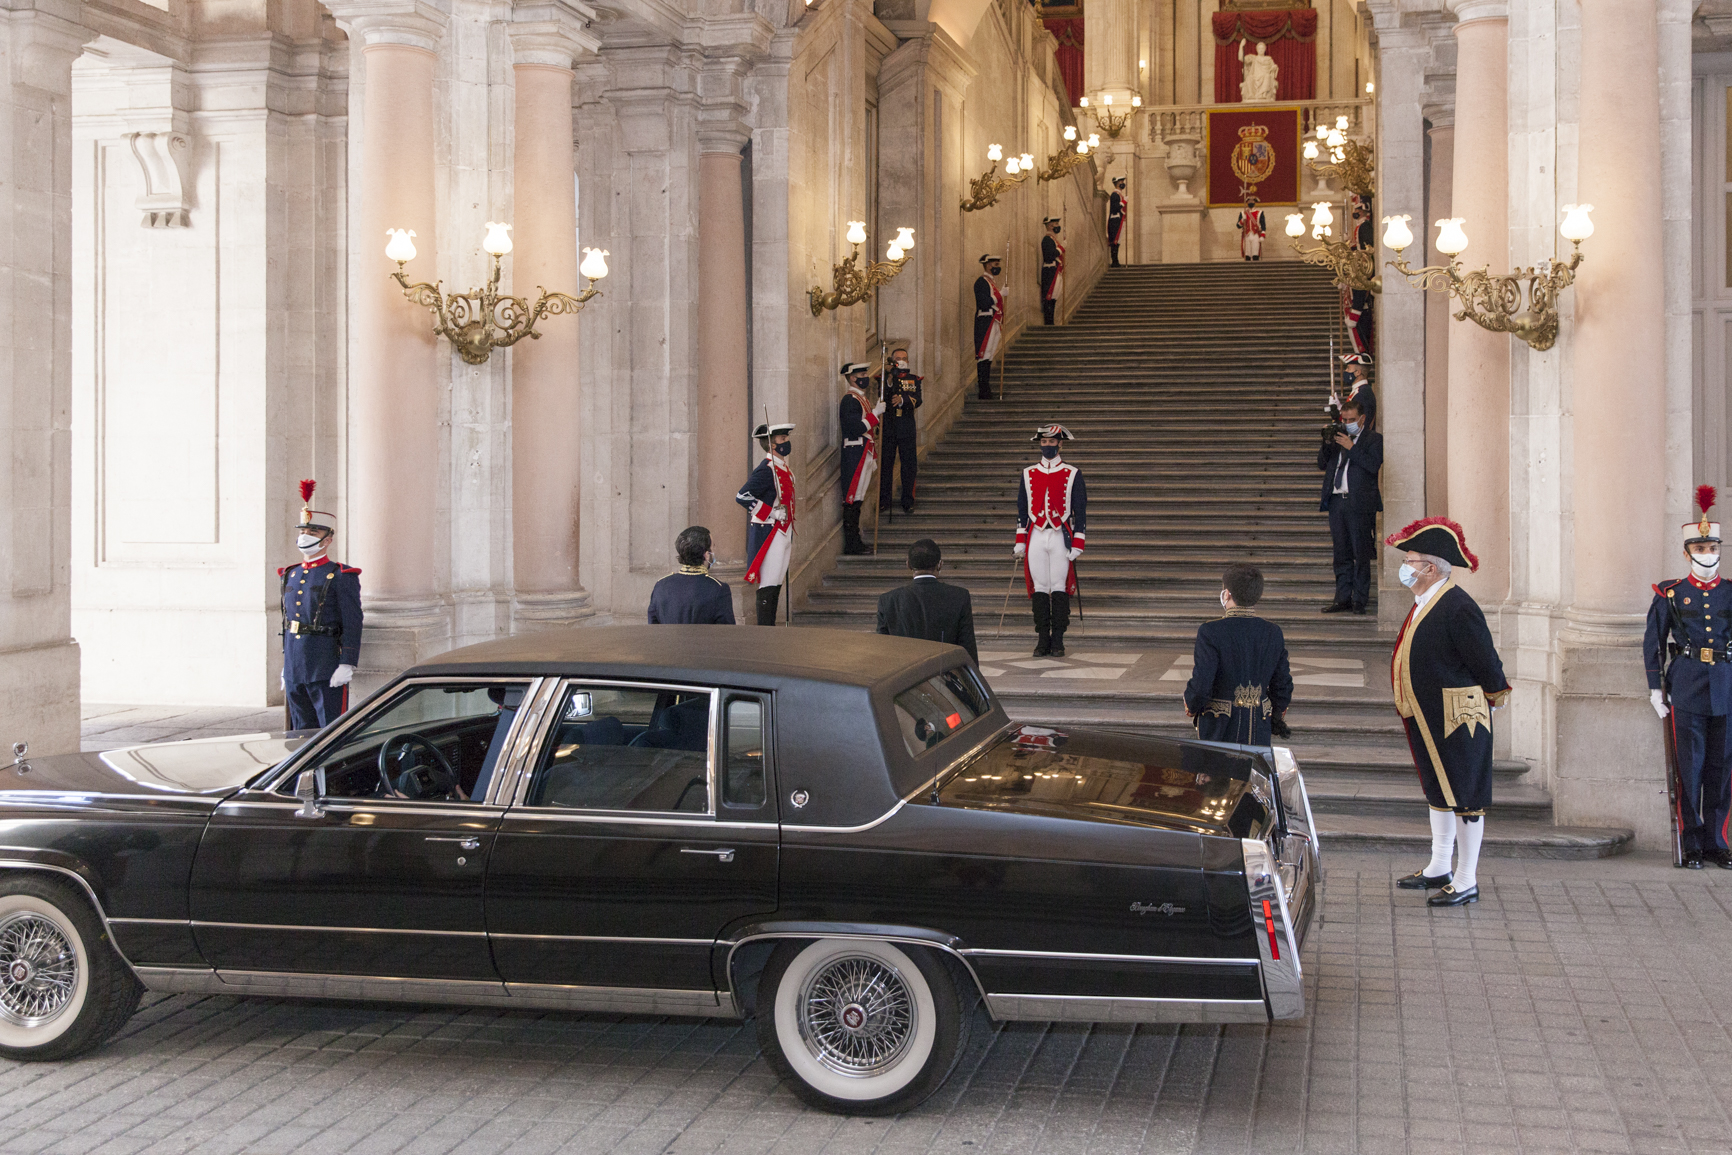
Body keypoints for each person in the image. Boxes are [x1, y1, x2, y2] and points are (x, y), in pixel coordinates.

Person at [1385, 517, 1512, 907]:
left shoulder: (1457, 606)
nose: (1405, 567)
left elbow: (1486, 661)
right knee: (1438, 790)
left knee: (1466, 795)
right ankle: (1440, 865)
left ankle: (1466, 878)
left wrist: (1494, 693)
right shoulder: (1425, 601)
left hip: (1459, 716)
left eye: (1411, 560)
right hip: (1427, 714)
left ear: (1430, 568)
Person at [1644, 486, 1732, 869]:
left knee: (1722, 769)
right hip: (1687, 687)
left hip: (1726, 688)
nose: (1706, 555)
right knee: (1690, 770)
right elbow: (1653, 643)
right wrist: (1654, 688)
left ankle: (1717, 842)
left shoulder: (1730, 593)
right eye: (1699, 549)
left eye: (1711, 548)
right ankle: (1691, 842)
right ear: (1686, 553)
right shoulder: (1670, 595)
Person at [280, 479, 362, 731]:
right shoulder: (290, 574)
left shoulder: (340, 575)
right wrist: (286, 666)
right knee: (299, 731)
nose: (304, 537)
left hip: (325, 665)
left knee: (330, 730)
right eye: (303, 532)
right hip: (295, 665)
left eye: (313, 533)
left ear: (327, 540)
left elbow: (352, 620)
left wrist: (347, 662)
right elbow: (287, 620)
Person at [1183, 564, 1294, 746]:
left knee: (1217, 773)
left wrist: (1192, 704)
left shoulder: (1211, 631)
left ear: (1226, 594)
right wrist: (1276, 712)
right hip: (1259, 726)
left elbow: (1202, 683)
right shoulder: (1272, 632)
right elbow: (1282, 684)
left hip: (1220, 727)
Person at [1014, 423, 1086, 658]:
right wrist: (1020, 540)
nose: (1047, 446)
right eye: (1043, 442)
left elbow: (1080, 511)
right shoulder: (1028, 473)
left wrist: (1078, 542)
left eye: (1051, 442)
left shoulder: (1072, 473)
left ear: (1060, 444)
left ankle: (1059, 639)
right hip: (1036, 534)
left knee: (1059, 587)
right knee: (1040, 588)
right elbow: (1022, 510)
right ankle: (1042, 638)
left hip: (1059, 535)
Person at [1317, 392, 1382, 614]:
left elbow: (1373, 466)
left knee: (1361, 552)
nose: (1347, 424)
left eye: (1351, 420)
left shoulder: (1373, 440)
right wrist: (1327, 442)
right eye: (1344, 420)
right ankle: (1342, 597)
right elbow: (1321, 464)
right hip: (1336, 502)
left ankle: (1359, 600)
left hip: (1359, 503)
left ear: (1362, 419)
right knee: (1341, 552)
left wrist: (1351, 448)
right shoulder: (1338, 437)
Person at [876, 538, 977, 662]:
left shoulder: (888, 601)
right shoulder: (960, 596)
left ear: (908, 564)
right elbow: (968, 649)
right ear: (940, 564)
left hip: (904, 679)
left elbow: (882, 652)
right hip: (945, 676)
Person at [736, 422, 796, 625]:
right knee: (768, 585)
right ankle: (765, 631)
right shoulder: (766, 470)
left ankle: (770, 629)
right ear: (771, 445)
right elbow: (742, 495)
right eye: (782, 439)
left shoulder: (782, 467)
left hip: (784, 531)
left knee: (777, 583)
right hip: (771, 531)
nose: (786, 442)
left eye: (786, 438)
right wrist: (771, 512)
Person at [838, 362, 883, 555]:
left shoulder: (860, 398)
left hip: (864, 451)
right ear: (852, 378)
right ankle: (852, 543)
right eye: (862, 374)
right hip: (855, 453)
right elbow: (854, 428)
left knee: (859, 498)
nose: (866, 376)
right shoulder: (850, 400)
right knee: (852, 499)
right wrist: (875, 414)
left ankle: (855, 541)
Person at [648, 525, 735, 624]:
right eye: (713, 547)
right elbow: (727, 633)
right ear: (706, 555)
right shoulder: (718, 589)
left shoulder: (661, 585)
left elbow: (653, 628)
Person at [879, 347, 922, 516]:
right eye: (898, 358)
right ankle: (884, 500)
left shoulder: (914, 379)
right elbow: (881, 395)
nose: (901, 360)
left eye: (904, 358)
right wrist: (889, 378)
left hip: (906, 427)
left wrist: (903, 399)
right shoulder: (884, 378)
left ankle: (907, 501)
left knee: (909, 466)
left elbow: (918, 399)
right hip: (889, 428)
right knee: (886, 466)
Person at [974, 254, 1005, 400]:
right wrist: (999, 295)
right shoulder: (981, 282)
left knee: (989, 355)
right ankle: (983, 390)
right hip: (985, 321)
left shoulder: (991, 282)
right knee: (984, 356)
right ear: (988, 265)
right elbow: (983, 302)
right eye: (995, 264)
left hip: (994, 321)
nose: (998, 267)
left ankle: (986, 389)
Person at [1039, 217, 1064, 325]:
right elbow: (1050, 255)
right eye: (1055, 223)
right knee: (1049, 296)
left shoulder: (1054, 239)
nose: (1058, 226)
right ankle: (1048, 322)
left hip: (1055, 269)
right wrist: (1060, 249)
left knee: (1054, 296)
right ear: (1049, 226)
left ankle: (1051, 321)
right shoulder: (1047, 239)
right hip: (1050, 270)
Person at [1236, 194, 1266, 261]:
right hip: (1246, 235)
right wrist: (1242, 220)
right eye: (1249, 201)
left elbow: (1263, 225)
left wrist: (1262, 235)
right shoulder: (1243, 213)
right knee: (1247, 253)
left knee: (1255, 252)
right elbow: (1238, 226)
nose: (1250, 202)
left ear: (1255, 202)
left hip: (1256, 235)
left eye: (1252, 201)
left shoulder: (1260, 212)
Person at [1107, 177, 1127, 267]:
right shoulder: (1115, 195)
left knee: (1117, 241)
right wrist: (1123, 202)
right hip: (1115, 220)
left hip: (1119, 220)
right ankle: (1114, 261)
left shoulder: (1119, 194)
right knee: (1114, 240)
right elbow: (1115, 208)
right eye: (1121, 182)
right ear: (1117, 183)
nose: (1123, 183)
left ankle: (1116, 260)